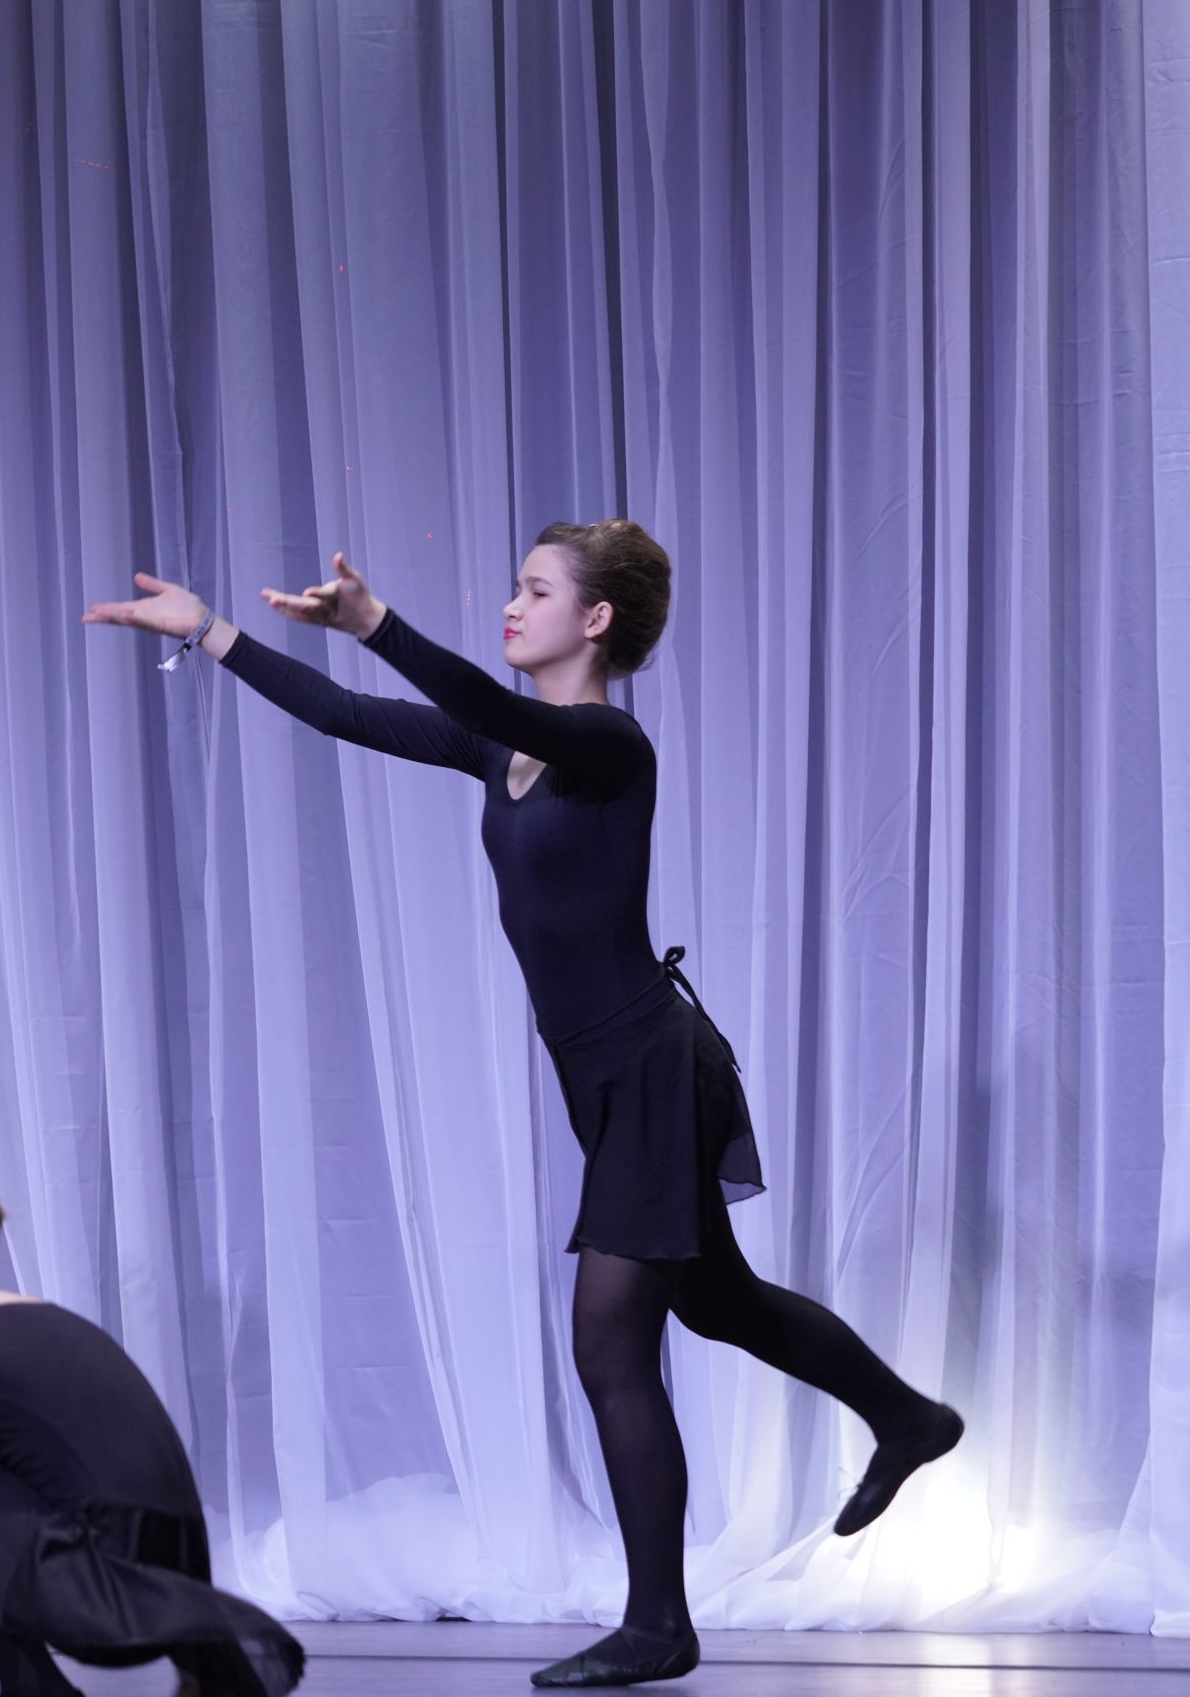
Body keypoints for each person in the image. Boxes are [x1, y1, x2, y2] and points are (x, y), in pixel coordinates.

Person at [85, 527, 963, 1687]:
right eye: (514, 586)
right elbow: (343, 716)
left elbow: (484, 701)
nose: (511, 604)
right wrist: (208, 630)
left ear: (594, 619)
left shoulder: (605, 744)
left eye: (535, 589)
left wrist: (376, 623)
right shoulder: (501, 748)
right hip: (601, 1076)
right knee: (717, 1300)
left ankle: (658, 1621)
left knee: (609, 1337)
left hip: (653, 1067)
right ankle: (906, 1416)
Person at [0, 1146, 305, 1697]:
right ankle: (33, 1687)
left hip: (92, 1598)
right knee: (1, 1477)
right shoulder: (39, 1318)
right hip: (171, 1597)